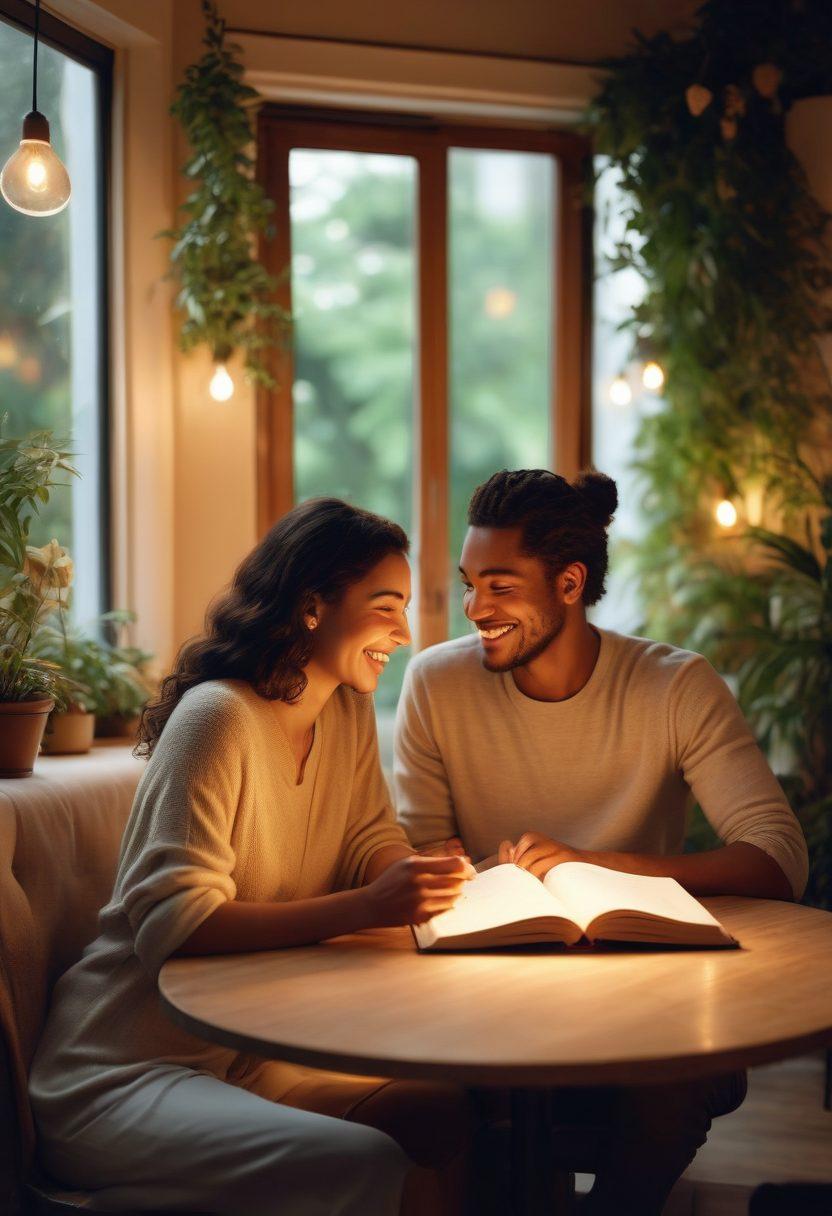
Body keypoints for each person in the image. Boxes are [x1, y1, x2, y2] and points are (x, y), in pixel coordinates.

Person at [30, 498, 473, 1216]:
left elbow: (366, 833)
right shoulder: (217, 718)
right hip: (123, 1073)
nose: (404, 631)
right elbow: (176, 921)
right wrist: (370, 906)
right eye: (386, 605)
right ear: (311, 607)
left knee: (444, 1110)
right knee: (364, 1160)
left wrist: (410, 874)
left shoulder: (345, 709)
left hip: (246, 1056)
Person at [394, 467, 809, 1216]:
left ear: (569, 583)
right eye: (469, 583)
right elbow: (422, 857)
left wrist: (598, 864)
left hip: (648, 989)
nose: (474, 608)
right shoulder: (435, 684)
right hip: (488, 986)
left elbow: (779, 855)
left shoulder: (675, 685)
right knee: (455, 1110)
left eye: (500, 585)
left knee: (676, 1082)